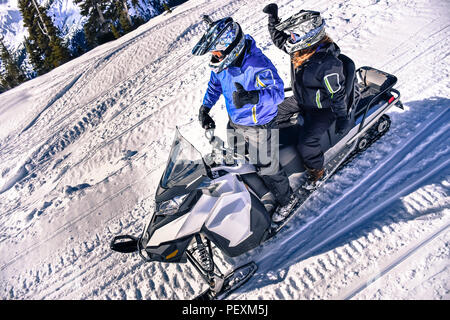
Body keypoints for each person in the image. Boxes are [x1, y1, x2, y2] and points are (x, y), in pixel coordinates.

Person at [192, 15, 298, 217]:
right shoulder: (221, 64)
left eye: (217, 51)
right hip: (235, 123)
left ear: (231, 47)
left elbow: (276, 93)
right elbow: (215, 85)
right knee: (240, 161)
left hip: (260, 126)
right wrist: (205, 108)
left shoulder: (257, 64)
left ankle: (287, 199)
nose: (214, 55)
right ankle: (256, 193)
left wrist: (254, 97)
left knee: (267, 165)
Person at [263, 5, 350, 191]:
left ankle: (317, 172)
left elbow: (337, 94)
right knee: (267, 115)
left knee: (306, 144)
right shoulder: (301, 50)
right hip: (302, 100)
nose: (291, 39)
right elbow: (280, 40)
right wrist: (273, 20)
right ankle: (263, 152)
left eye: (294, 35)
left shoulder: (328, 64)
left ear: (308, 35)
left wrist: (342, 117)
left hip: (322, 110)